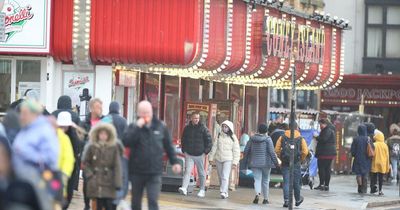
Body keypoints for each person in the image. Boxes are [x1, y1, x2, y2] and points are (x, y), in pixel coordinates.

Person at [123, 100, 181, 210]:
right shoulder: (133, 126)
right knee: (135, 202)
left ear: (151, 112)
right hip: (136, 171)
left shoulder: (160, 126)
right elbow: (126, 141)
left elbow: (169, 146)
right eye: (142, 113)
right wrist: (136, 128)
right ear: (138, 113)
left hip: (154, 171)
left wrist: (175, 162)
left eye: (147, 112)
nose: (145, 115)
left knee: (153, 200)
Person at [12, 100, 59, 210]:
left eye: (24, 113)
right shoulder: (25, 130)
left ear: (34, 114)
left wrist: (26, 154)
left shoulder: (45, 131)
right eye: (21, 113)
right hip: (21, 182)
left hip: (39, 181)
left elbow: (51, 158)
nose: (21, 117)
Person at [82, 123, 122, 210]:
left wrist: (118, 182)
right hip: (96, 181)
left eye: (105, 134)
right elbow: (86, 162)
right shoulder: (92, 147)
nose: (103, 136)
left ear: (109, 135)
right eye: (101, 133)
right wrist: (90, 175)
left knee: (109, 205)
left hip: (109, 182)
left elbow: (117, 165)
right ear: (97, 134)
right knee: (97, 205)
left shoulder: (114, 147)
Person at [242, 123, 280, 205]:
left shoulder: (252, 139)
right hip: (266, 164)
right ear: (266, 131)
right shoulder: (268, 139)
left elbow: (246, 151)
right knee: (266, 180)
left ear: (258, 130)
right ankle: (266, 199)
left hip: (255, 163)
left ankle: (257, 194)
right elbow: (272, 152)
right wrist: (276, 164)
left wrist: (247, 159)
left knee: (257, 179)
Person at [178, 112, 212, 197]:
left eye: (197, 118)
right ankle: (184, 188)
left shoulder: (204, 128)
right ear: (191, 118)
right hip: (189, 153)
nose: (196, 120)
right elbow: (183, 139)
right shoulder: (187, 128)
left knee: (201, 172)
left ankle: (202, 190)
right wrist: (184, 150)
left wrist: (205, 152)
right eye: (195, 118)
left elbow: (209, 141)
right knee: (187, 171)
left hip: (200, 154)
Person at [275, 122, 308, 208]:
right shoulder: (301, 138)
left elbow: (277, 149)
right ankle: (297, 199)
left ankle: (286, 200)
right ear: (297, 128)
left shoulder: (282, 137)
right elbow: (305, 151)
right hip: (296, 162)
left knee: (286, 181)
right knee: (296, 182)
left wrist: (281, 157)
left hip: (285, 162)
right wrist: (300, 159)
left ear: (288, 128)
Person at [81, 98, 104, 210]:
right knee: (87, 181)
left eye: (101, 107)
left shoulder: (105, 121)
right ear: (91, 108)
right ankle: (86, 204)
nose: (100, 109)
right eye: (97, 107)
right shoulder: (84, 123)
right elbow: (81, 139)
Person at [208, 120, 240, 199]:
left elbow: (236, 150)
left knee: (225, 176)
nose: (224, 128)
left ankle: (223, 191)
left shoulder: (233, 137)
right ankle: (225, 191)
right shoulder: (219, 135)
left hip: (228, 159)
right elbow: (214, 147)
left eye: (226, 127)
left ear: (229, 128)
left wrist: (235, 162)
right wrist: (211, 157)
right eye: (223, 126)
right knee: (220, 176)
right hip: (218, 158)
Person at [107, 101, 129, 206]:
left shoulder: (106, 119)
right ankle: (118, 195)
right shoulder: (123, 121)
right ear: (118, 109)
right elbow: (127, 137)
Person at [55, 112, 78, 209]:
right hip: (65, 174)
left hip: (52, 174)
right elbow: (71, 157)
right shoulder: (69, 137)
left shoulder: (50, 134)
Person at [314, 119, 337, 191]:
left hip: (324, 153)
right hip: (329, 153)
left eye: (320, 124)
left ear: (325, 124)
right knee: (327, 169)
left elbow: (324, 139)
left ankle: (322, 184)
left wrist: (316, 137)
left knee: (322, 169)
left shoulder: (327, 130)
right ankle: (326, 185)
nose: (320, 126)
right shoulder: (330, 130)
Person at [351, 124, 372, 194]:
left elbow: (353, 151)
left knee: (358, 174)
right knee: (365, 174)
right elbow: (372, 149)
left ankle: (359, 186)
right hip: (366, 159)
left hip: (358, 159)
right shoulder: (368, 139)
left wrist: (353, 154)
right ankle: (364, 188)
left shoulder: (355, 139)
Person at [370, 130, 390, 195]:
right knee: (381, 178)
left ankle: (374, 186)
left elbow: (372, 154)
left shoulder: (374, 144)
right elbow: (387, 156)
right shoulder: (385, 145)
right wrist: (387, 166)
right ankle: (380, 190)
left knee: (374, 176)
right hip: (382, 164)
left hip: (375, 162)